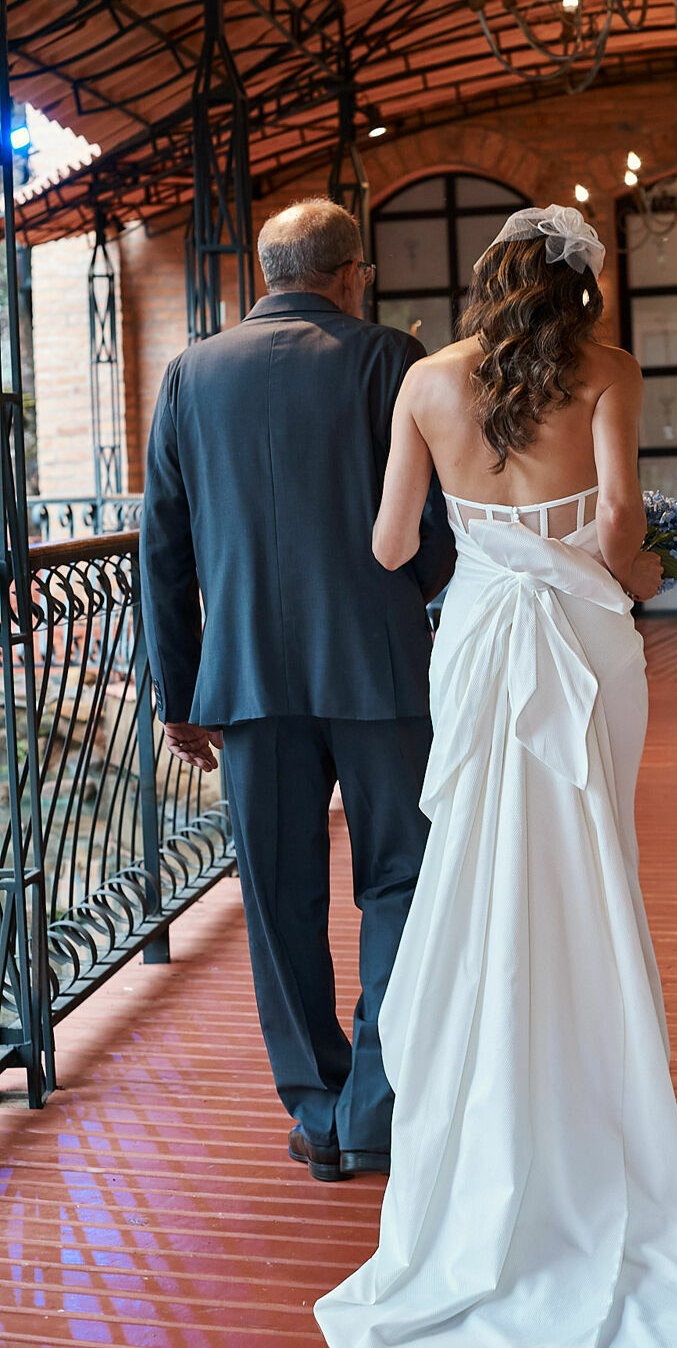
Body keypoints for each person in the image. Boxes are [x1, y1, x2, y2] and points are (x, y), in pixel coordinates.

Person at [314, 206, 677, 1347]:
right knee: (588, 862)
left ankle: (486, 1122)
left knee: (476, 866)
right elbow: (617, 524)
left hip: (475, 641)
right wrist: (632, 574)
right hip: (582, 637)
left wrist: (489, 552)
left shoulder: (425, 382)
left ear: (486, 279)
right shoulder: (608, 369)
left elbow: (387, 544)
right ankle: (588, 1117)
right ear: (582, 290)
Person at [139, 198, 455, 1183]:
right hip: (379, 670)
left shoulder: (190, 374)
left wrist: (182, 692)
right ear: (349, 273)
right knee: (401, 878)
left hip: (246, 685)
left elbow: (163, 546)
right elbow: (435, 530)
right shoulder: (389, 359)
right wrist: (417, 596)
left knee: (277, 900)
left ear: (268, 273)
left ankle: (317, 1111)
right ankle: (374, 1101)